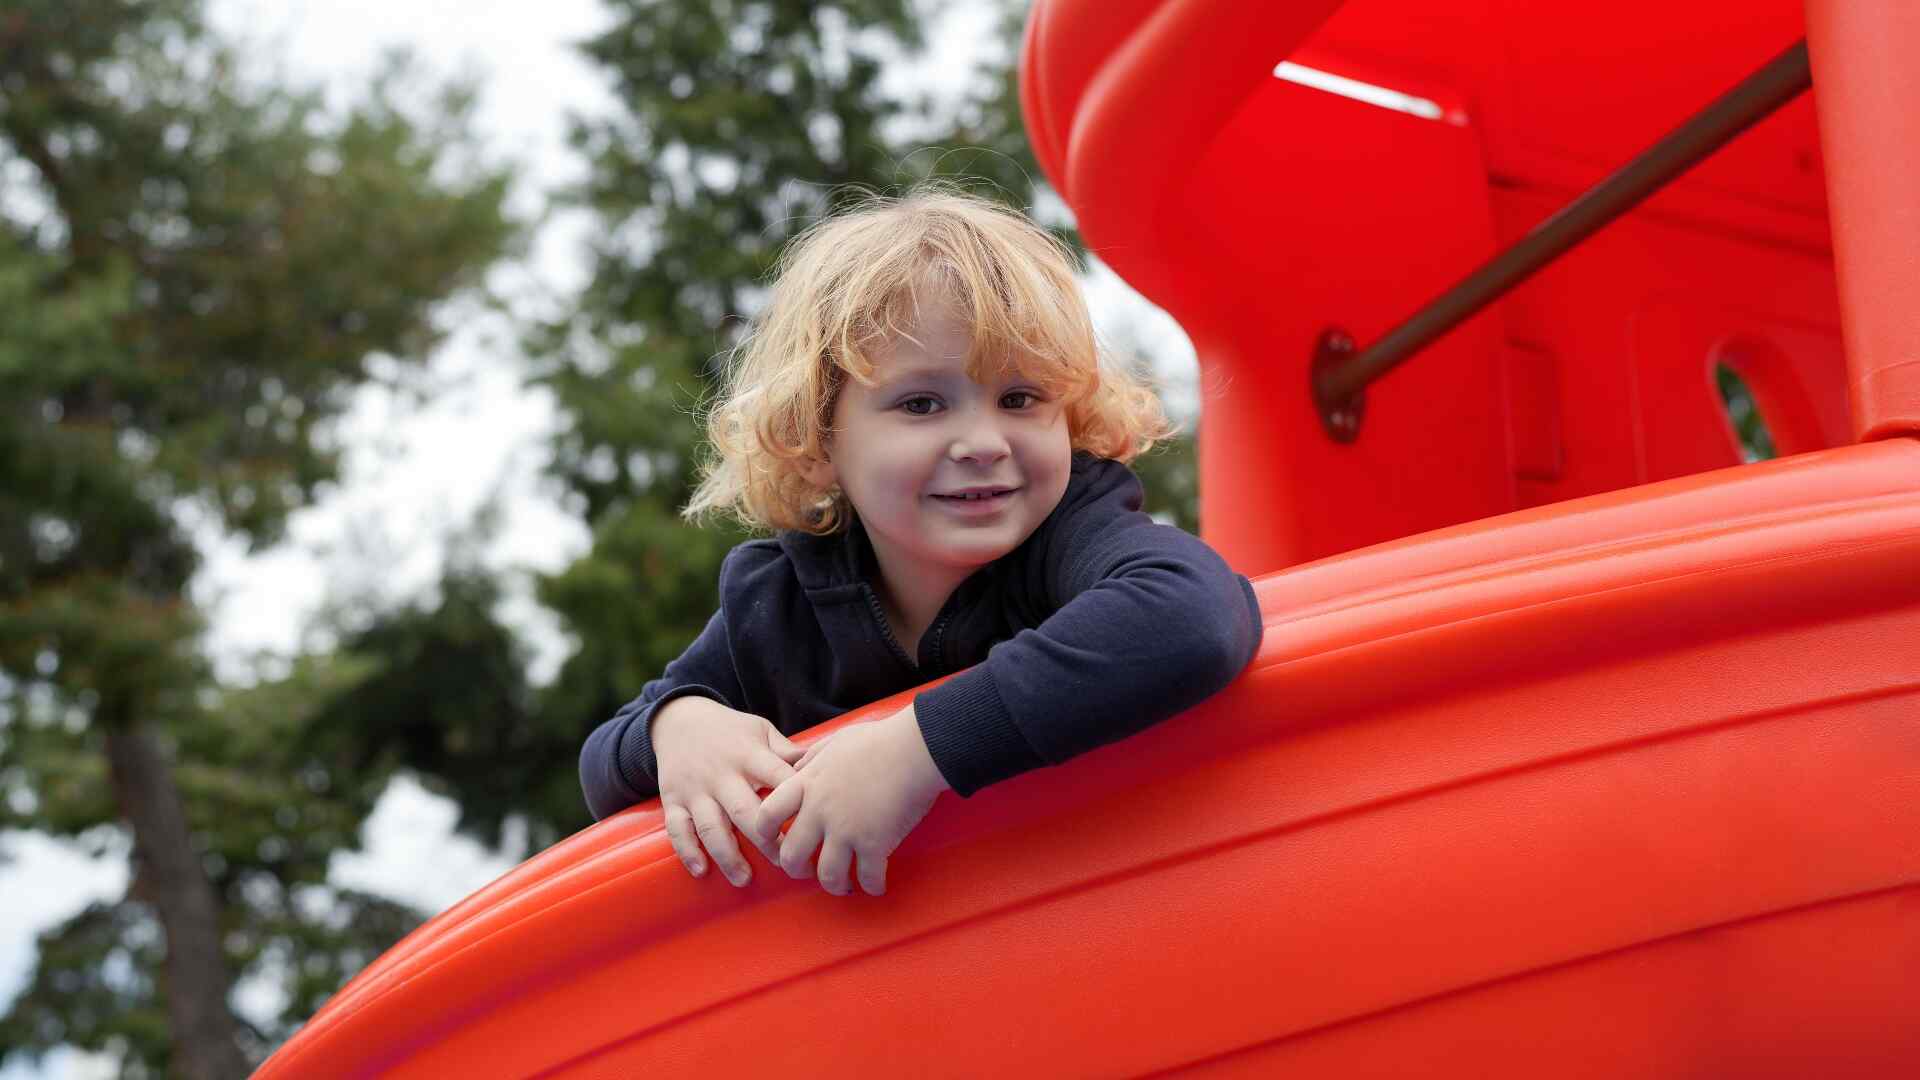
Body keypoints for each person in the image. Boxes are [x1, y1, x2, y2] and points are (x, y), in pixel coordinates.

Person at [578, 185, 1264, 898]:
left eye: (1021, 399)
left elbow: (1195, 616)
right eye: (922, 404)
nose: (981, 442)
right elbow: (604, 763)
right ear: (818, 442)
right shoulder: (780, 601)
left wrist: (917, 750)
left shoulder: (1071, 537)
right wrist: (678, 728)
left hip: (1109, 914)